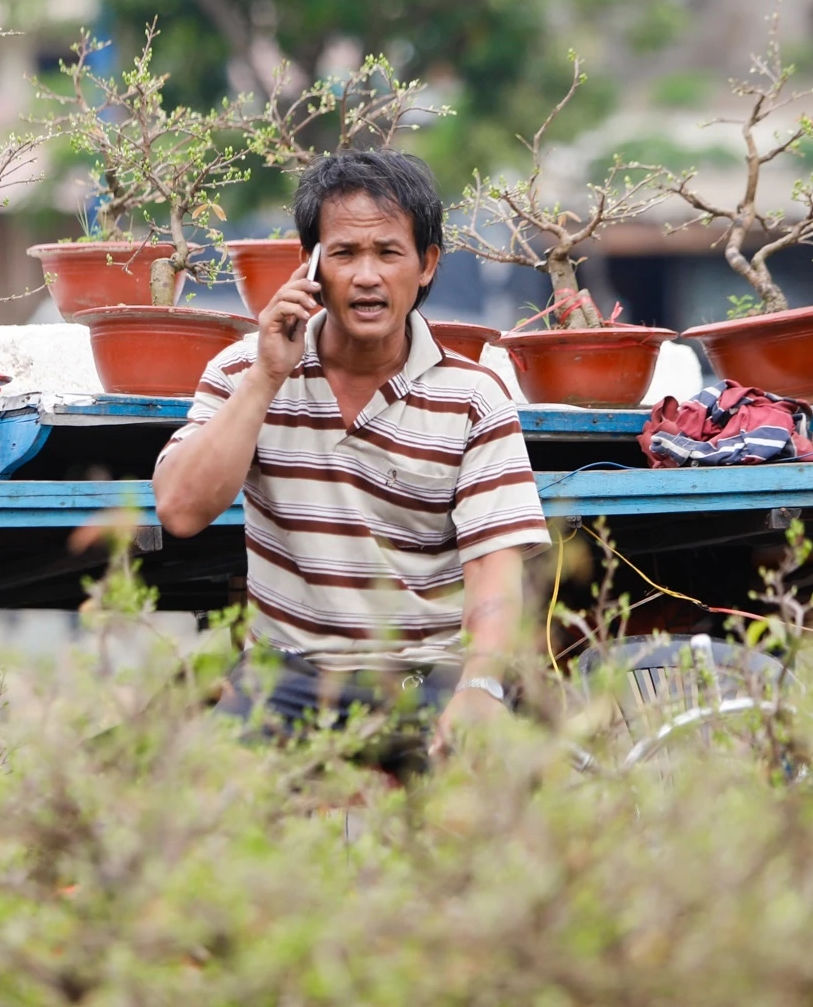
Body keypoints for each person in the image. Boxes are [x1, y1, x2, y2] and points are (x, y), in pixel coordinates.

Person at [153, 150, 549, 761]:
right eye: (344, 254)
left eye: (388, 252)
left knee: (482, 813)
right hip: (286, 676)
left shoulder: (472, 396)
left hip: (425, 675)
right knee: (196, 801)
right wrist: (266, 376)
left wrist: (480, 685)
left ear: (427, 267)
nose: (367, 275)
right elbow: (179, 510)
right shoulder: (243, 371)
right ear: (309, 267)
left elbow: (494, 571)